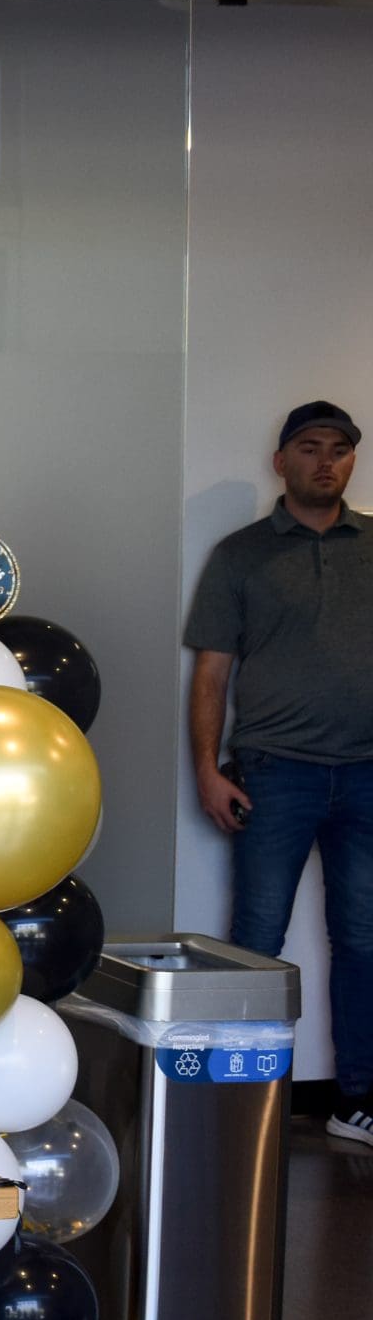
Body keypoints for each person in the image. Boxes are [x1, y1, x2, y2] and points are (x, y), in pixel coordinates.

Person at [188, 399, 373, 1147]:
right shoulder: (240, 555)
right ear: (281, 460)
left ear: (352, 460)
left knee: (363, 938)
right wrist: (206, 769)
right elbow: (210, 674)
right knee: (256, 938)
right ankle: (243, 1099)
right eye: (308, 447)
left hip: (367, 776)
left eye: (339, 449)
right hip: (273, 773)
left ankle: (356, 1101)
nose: (324, 461)